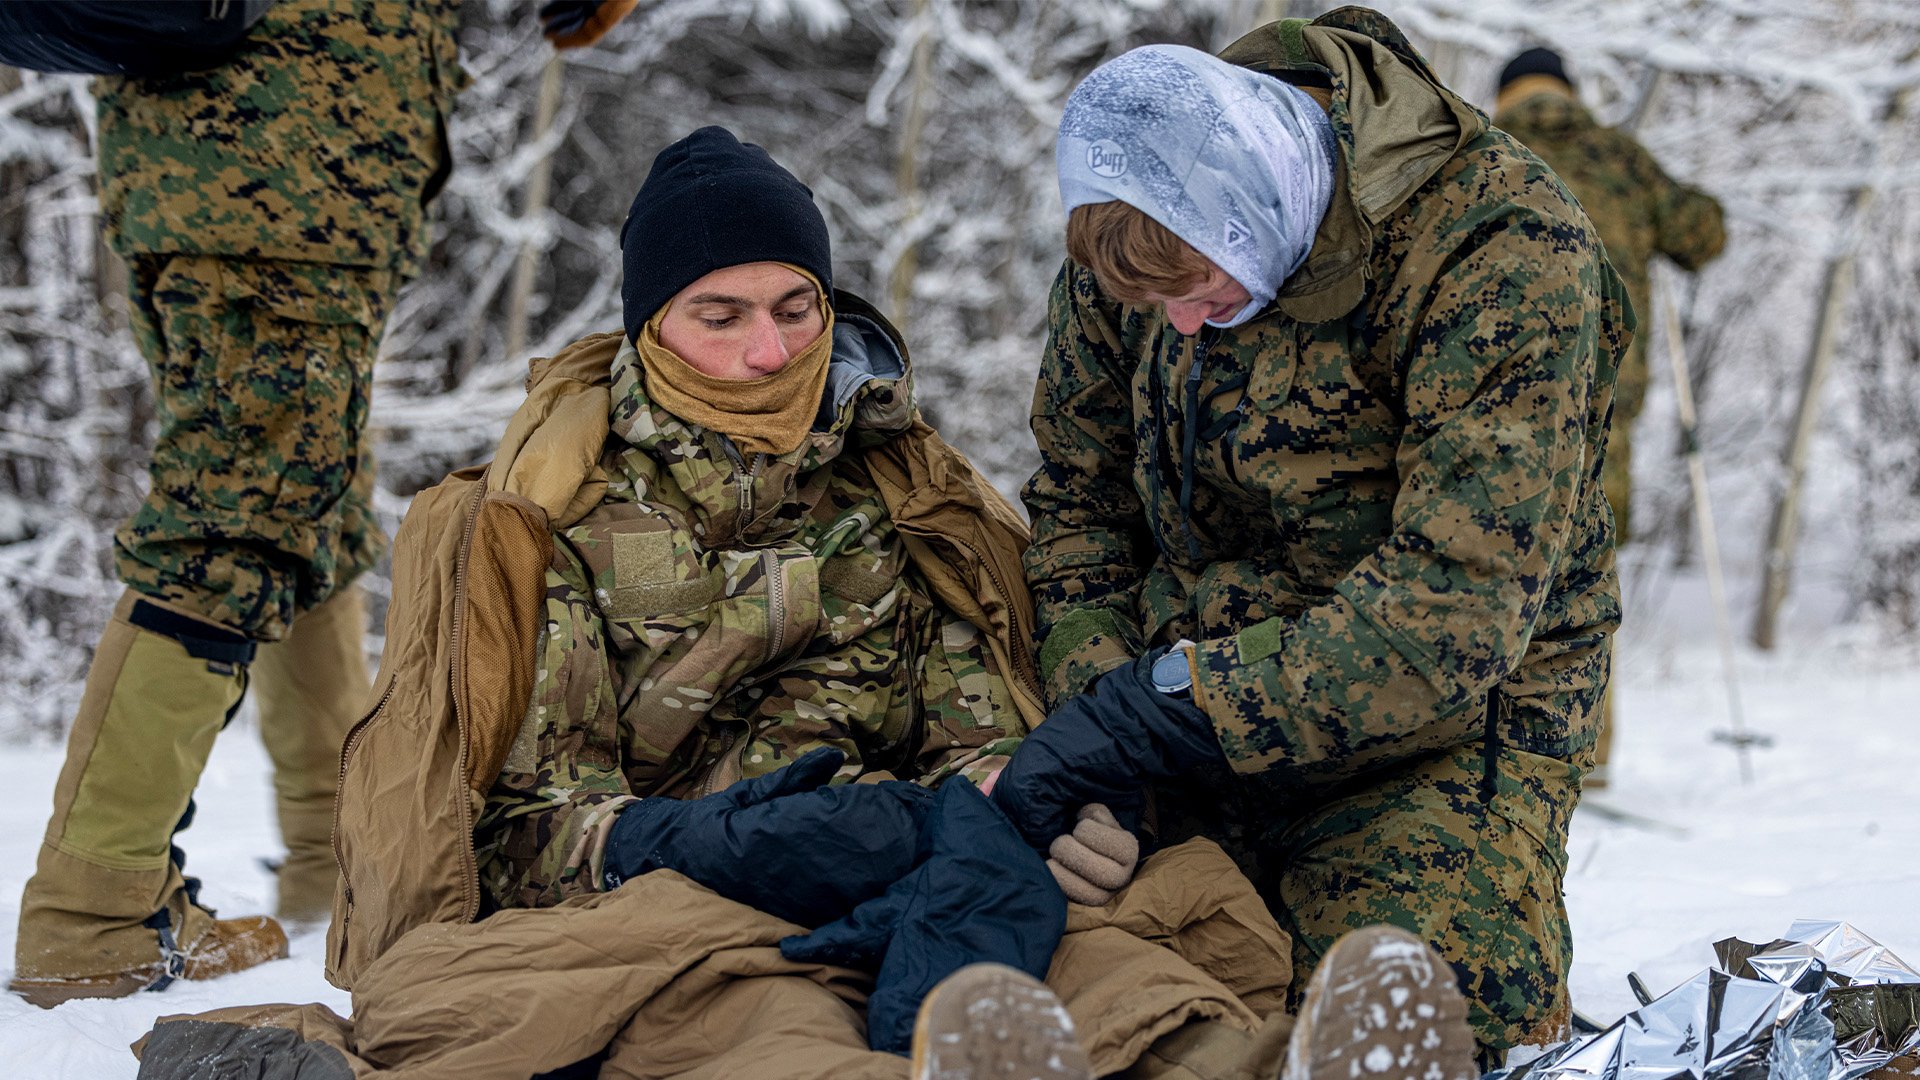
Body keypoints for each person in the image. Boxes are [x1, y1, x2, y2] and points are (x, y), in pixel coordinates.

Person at [993, 8, 1629, 1065]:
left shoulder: (1497, 243)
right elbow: (1079, 497)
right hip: (1186, 709)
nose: (1182, 325)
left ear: (1252, 211)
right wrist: (1097, 707)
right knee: (1116, 982)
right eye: (1155, 303)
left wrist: (1163, 711)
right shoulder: (1141, 231)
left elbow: (1453, 617)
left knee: (1397, 1008)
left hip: (1438, 731)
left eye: (1200, 290)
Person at [9, 0, 636, 1007]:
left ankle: (332, 861)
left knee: (311, 493)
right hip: (277, 151)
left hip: (278, 155)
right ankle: (96, 915)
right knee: (241, 510)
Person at [1494, 46, 1726, 787]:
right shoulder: (1622, 159)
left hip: (1489, 391)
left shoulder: (1482, 148)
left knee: (1485, 554)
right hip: (1603, 401)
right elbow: (1703, 234)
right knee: (1584, 562)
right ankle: (1582, 751)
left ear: (1506, 95)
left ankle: (1484, 747)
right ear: (1571, 90)